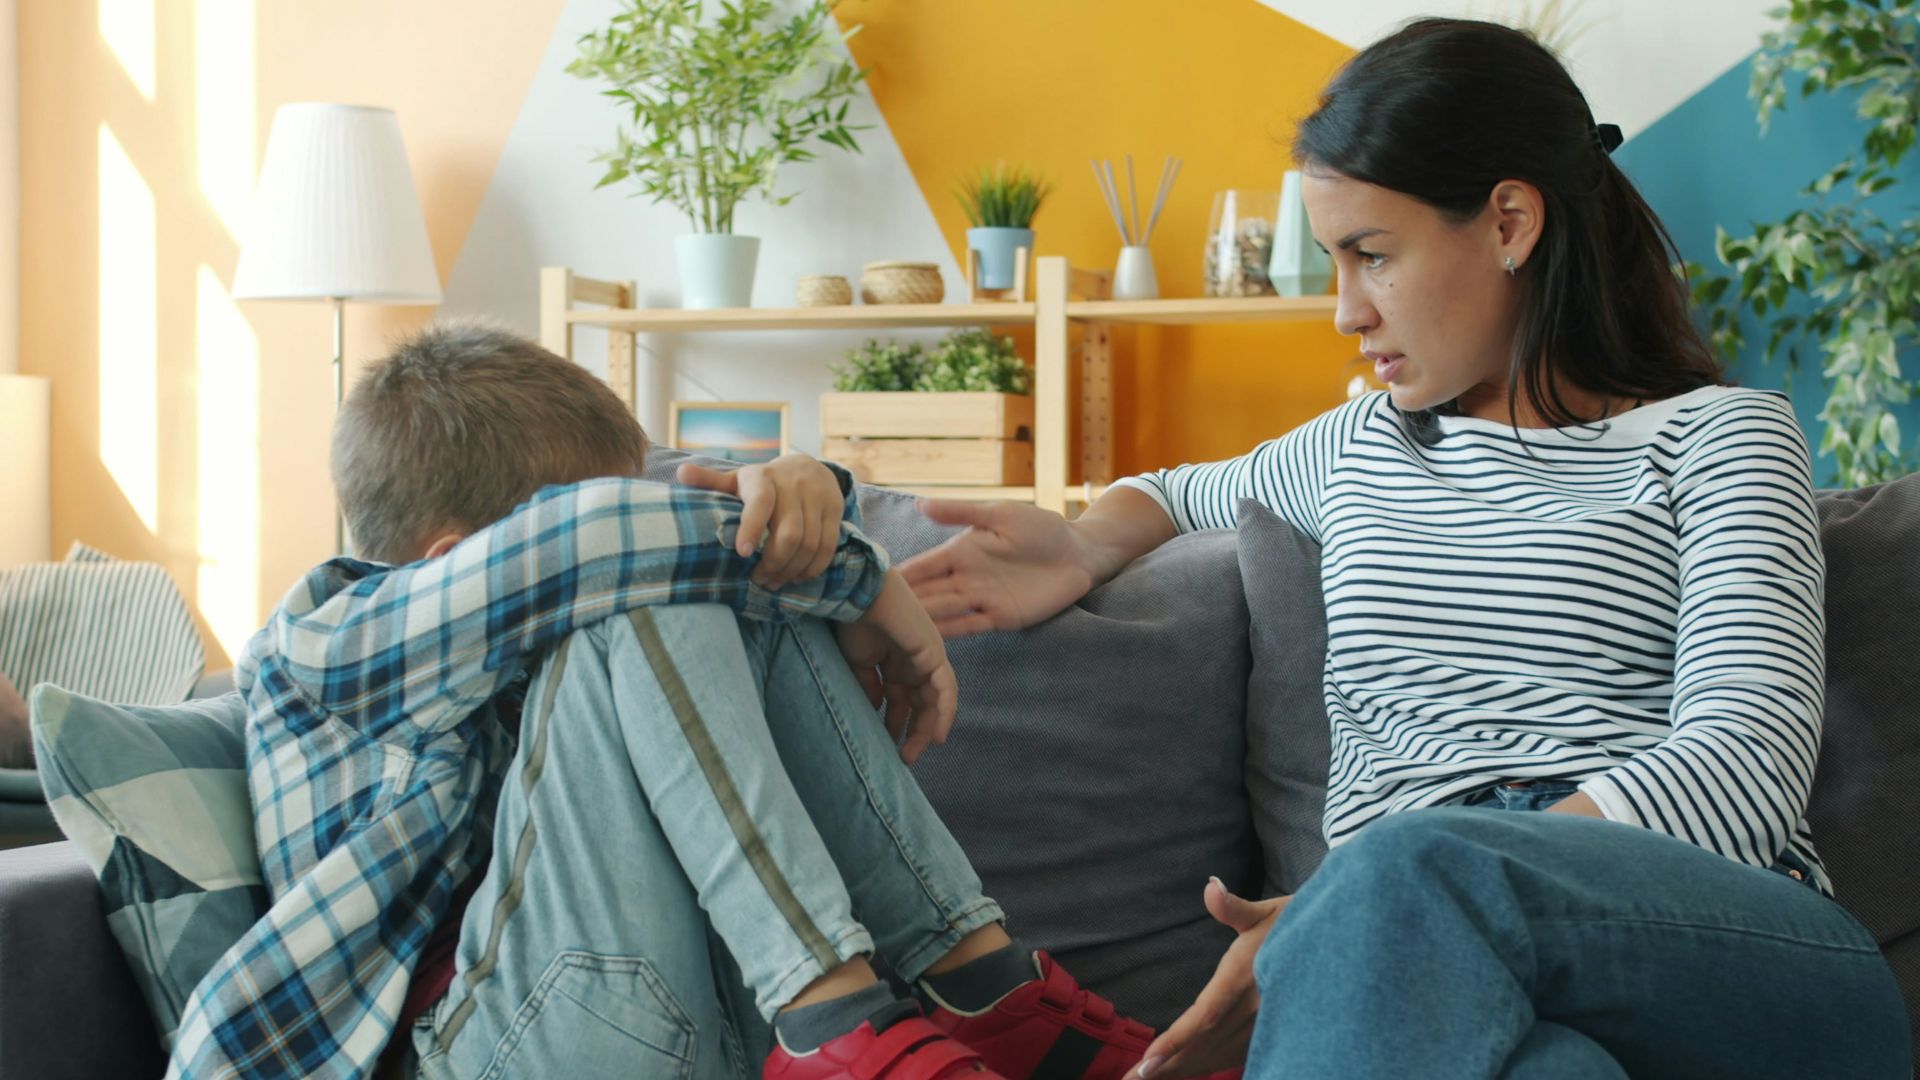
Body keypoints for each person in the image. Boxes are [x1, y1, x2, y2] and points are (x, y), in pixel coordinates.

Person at [900, 18, 1912, 1080]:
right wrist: (1078, 545)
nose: (1345, 312)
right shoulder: (1359, 448)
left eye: (1372, 256)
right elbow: (1171, 491)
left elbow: (1744, 766)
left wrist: (1396, 893)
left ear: (1511, 221)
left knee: (1403, 869)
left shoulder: (1720, 438)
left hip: (1734, 955)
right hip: (1425, 952)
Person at [167, 323, 1181, 1080]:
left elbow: (665, 529)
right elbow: (603, 541)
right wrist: (861, 575)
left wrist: (805, 497)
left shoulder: (581, 633)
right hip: (475, 1050)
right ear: (452, 560)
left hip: (680, 1006)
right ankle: (837, 1023)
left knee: (724, 576)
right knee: (659, 583)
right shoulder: (323, 643)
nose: (629, 516)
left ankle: (982, 987)